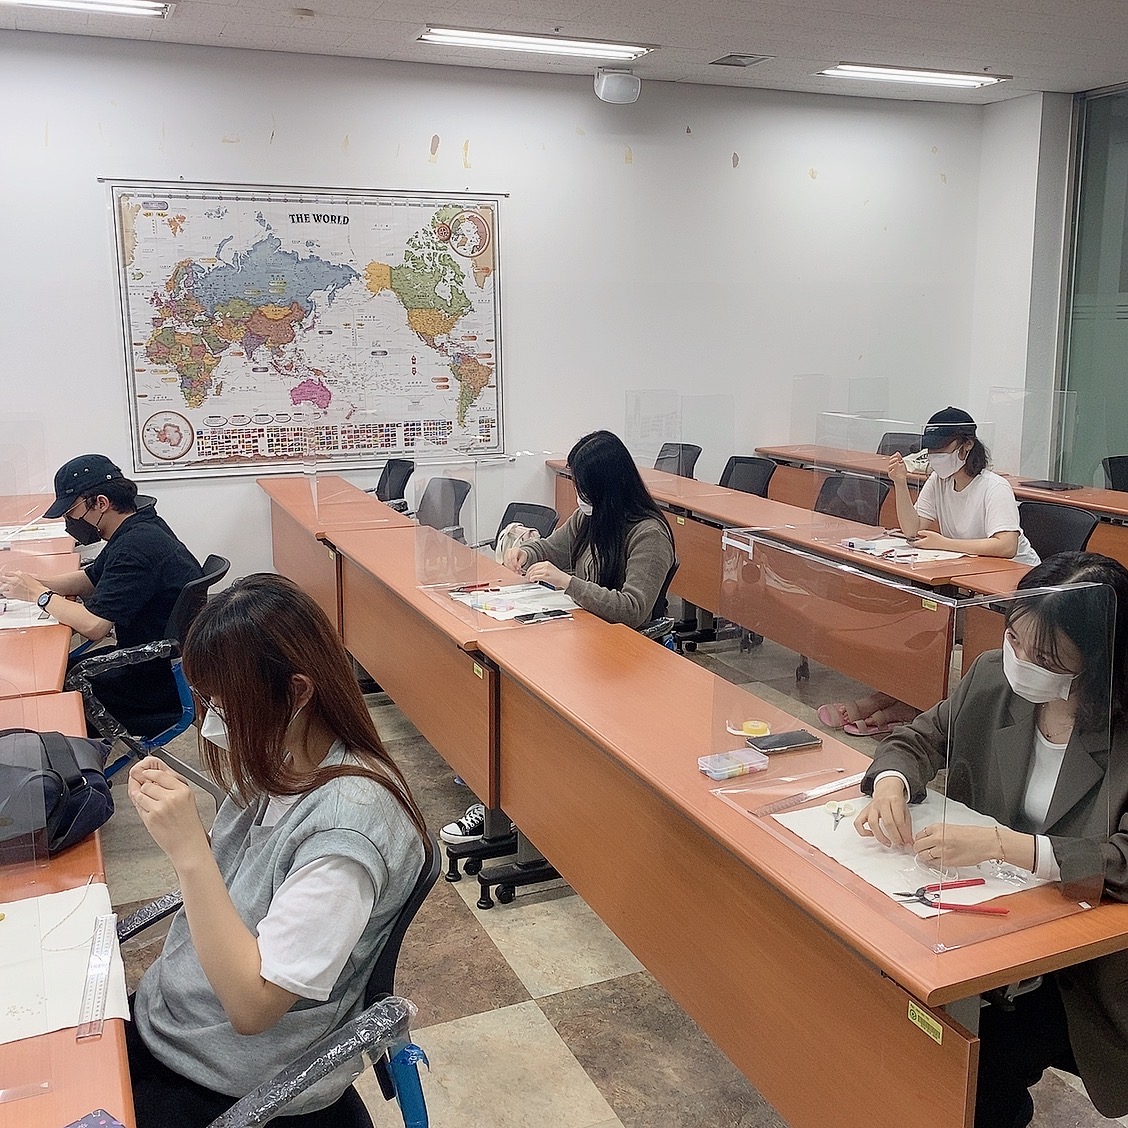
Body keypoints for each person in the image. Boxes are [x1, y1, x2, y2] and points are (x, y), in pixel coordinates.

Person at [126, 573, 428, 1128]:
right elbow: (242, 892)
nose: (213, 722)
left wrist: (189, 852)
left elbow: (253, 1007)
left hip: (230, 1075)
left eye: (225, 704)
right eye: (208, 701)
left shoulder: (349, 830)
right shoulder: (284, 757)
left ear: (297, 693)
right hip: (172, 1022)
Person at [854, 551, 1128, 1128]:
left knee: (977, 1067)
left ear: (1101, 661)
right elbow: (919, 737)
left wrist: (1006, 846)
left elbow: (1124, 860)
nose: (1021, 662)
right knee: (891, 1012)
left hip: (1083, 966)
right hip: (991, 925)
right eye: (1014, 638)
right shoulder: (991, 678)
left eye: (1046, 658)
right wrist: (892, 782)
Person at [440, 429, 676, 846]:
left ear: (605, 486)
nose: (577, 494)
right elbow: (552, 548)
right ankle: (499, 790)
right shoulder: (591, 517)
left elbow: (633, 609)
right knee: (507, 682)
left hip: (629, 658)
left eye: (582, 486)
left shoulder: (648, 533)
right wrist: (526, 553)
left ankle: (517, 803)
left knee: (531, 703)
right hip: (585, 638)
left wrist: (568, 583)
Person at [819, 407, 1040, 735]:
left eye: (942, 450)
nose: (936, 458)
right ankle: (902, 699)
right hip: (969, 576)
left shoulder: (993, 487)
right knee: (918, 616)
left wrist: (945, 543)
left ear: (966, 446)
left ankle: (900, 703)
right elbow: (913, 530)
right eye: (931, 452)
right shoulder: (939, 481)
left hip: (1014, 587)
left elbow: (1006, 545)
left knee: (935, 623)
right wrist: (900, 483)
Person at [0, 454, 203, 736]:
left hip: (153, 683)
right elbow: (90, 579)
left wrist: (41, 596)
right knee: (54, 672)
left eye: (71, 512)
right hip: (157, 662)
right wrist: (33, 583)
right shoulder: (139, 525)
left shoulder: (136, 548)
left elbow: (95, 626)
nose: (70, 521)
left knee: (41, 699)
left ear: (100, 503)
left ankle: (74, 759)